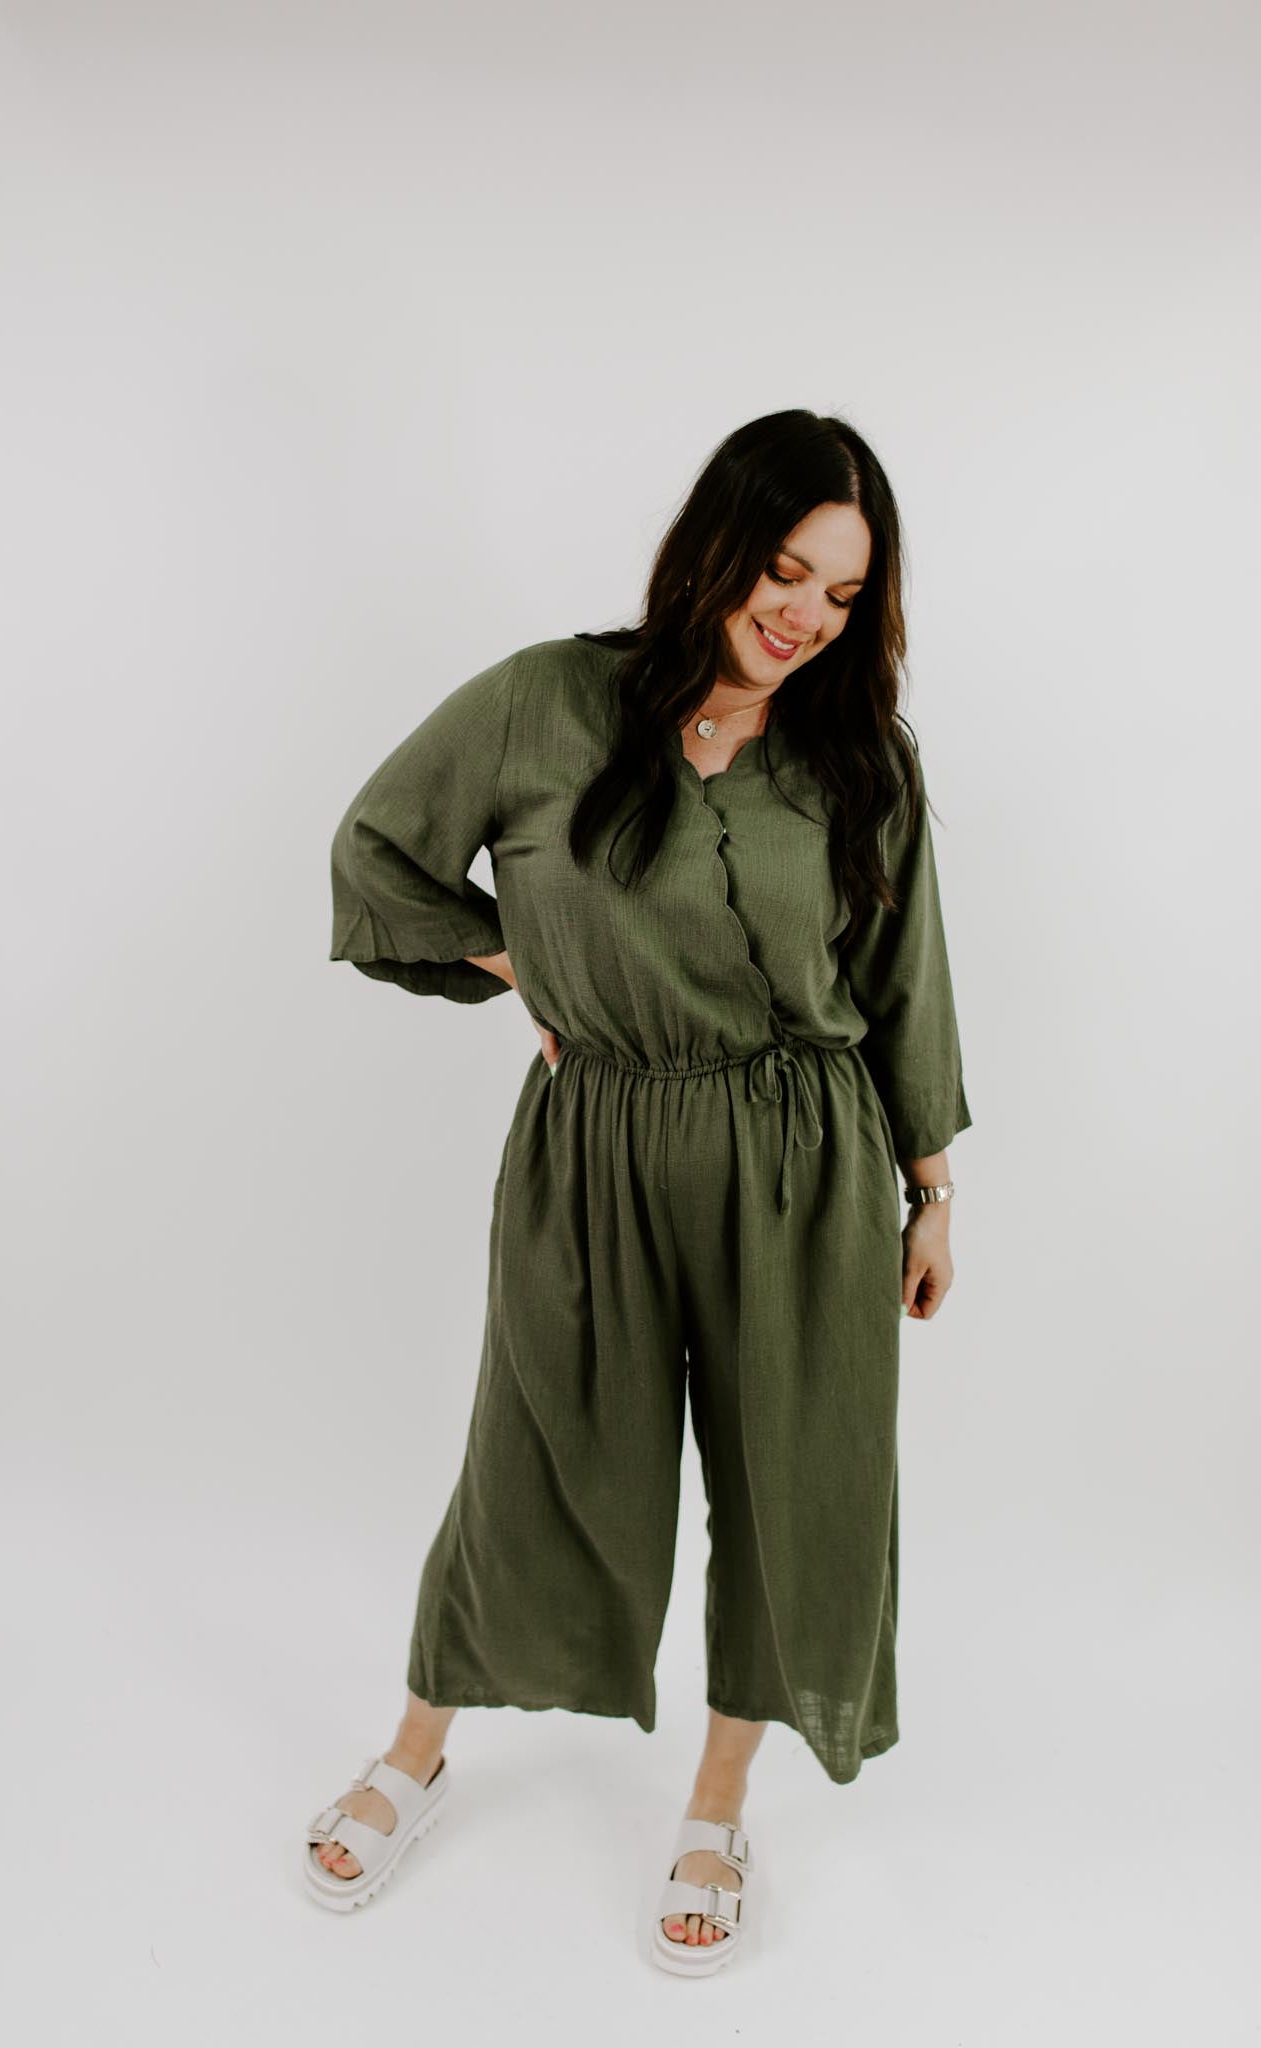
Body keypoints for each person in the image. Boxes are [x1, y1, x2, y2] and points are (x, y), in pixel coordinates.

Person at [304, 408, 973, 1974]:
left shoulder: (858, 755)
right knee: (531, 1455)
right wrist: (511, 958)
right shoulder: (544, 703)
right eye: (787, 569)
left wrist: (930, 1187)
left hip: (807, 1163)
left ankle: (717, 1807)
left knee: (795, 1482)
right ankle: (415, 1752)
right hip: (595, 1142)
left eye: (845, 593)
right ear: (717, 543)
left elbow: (904, 975)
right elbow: (375, 855)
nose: (806, 615)